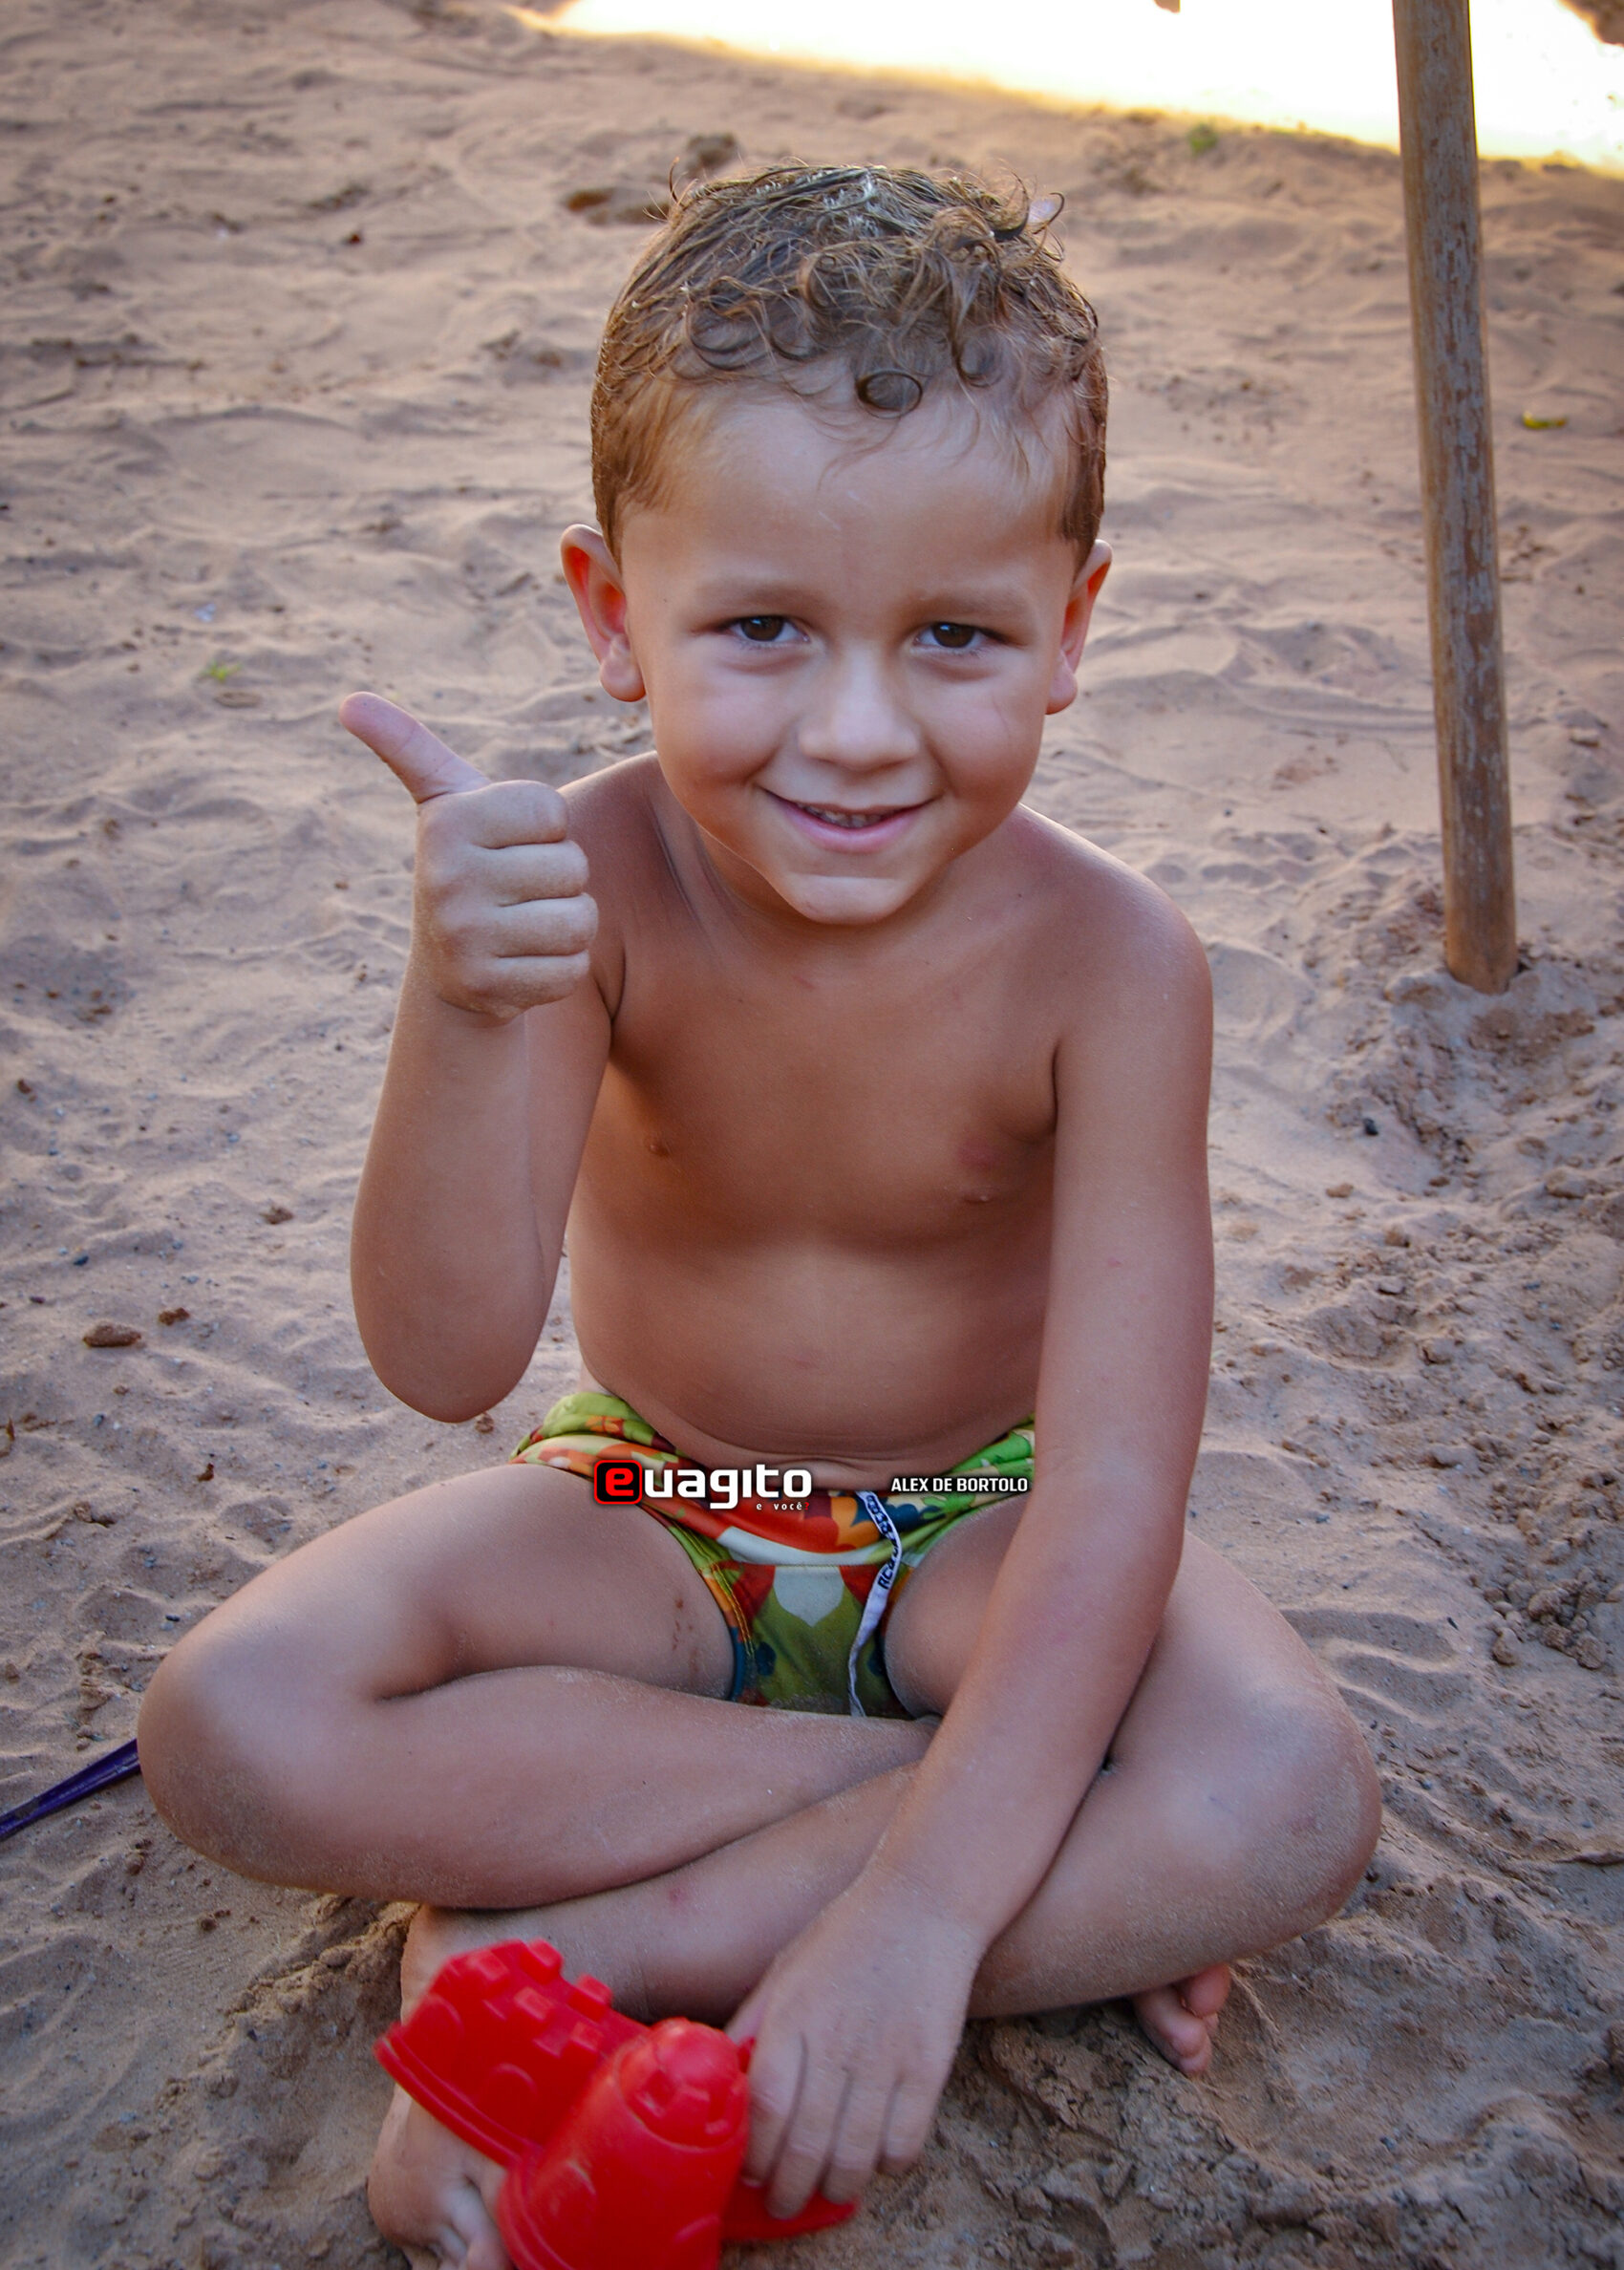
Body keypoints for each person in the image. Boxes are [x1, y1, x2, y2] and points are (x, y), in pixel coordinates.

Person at [138, 163, 1380, 2270]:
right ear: (612, 612)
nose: (858, 732)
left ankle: (579, 1945)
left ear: (1072, 629)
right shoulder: (590, 889)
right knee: (231, 1722)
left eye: (956, 635)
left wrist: (916, 1925)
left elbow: (1109, 1487)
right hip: (652, 1508)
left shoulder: (1113, 962)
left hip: (978, 1532)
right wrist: (467, 1001)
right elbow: (445, 1357)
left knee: (1289, 1790)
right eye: (760, 627)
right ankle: (1015, 1831)